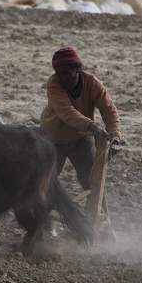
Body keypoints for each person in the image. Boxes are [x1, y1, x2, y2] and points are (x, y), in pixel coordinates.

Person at [40, 46, 122, 190]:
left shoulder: (92, 83)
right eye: (59, 73)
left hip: (80, 138)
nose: (63, 77)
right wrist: (93, 127)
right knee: (46, 182)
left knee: (91, 180)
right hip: (54, 138)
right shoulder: (54, 84)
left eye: (67, 73)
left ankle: (95, 211)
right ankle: (44, 211)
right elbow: (67, 113)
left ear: (77, 69)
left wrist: (115, 134)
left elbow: (108, 110)